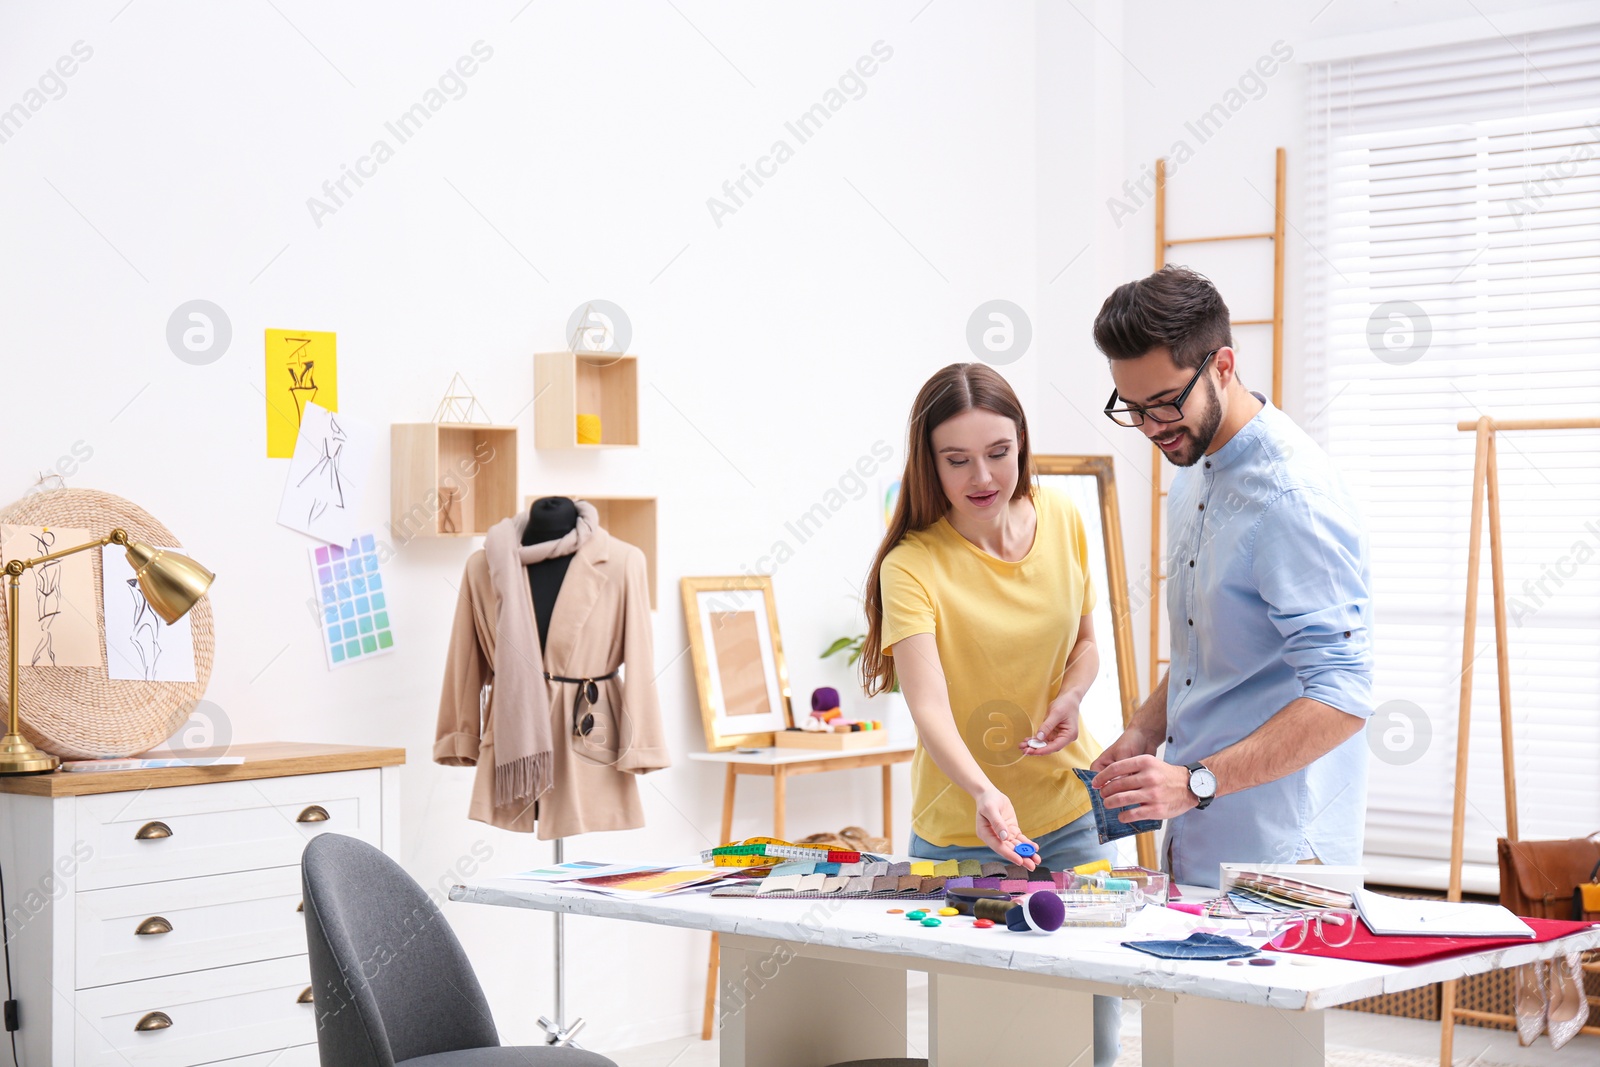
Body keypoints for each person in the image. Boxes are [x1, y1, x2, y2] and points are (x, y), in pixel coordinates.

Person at [862, 362, 1121, 1067]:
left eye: (999, 453)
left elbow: (1088, 644)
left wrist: (1069, 696)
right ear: (929, 464)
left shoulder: (1064, 518)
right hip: (962, 832)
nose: (983, 475)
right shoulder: (913, 564)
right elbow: (928, 707)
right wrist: (983, 790)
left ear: (1021, 446)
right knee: (991, 1042)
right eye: (957, 459)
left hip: (1071, 814)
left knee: (1095, 1038)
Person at [1089, 265, 1374, 889]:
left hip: (1283, 859)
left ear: (1222, 365)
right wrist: (1145, 729)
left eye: (1165, 402)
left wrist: (1195, 782)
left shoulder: (1292, 495)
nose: (1154, 428)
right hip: (1198, 839)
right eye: (1134, 409)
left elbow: (1344, 695)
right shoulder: (1193, 466)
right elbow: (1211, 654)